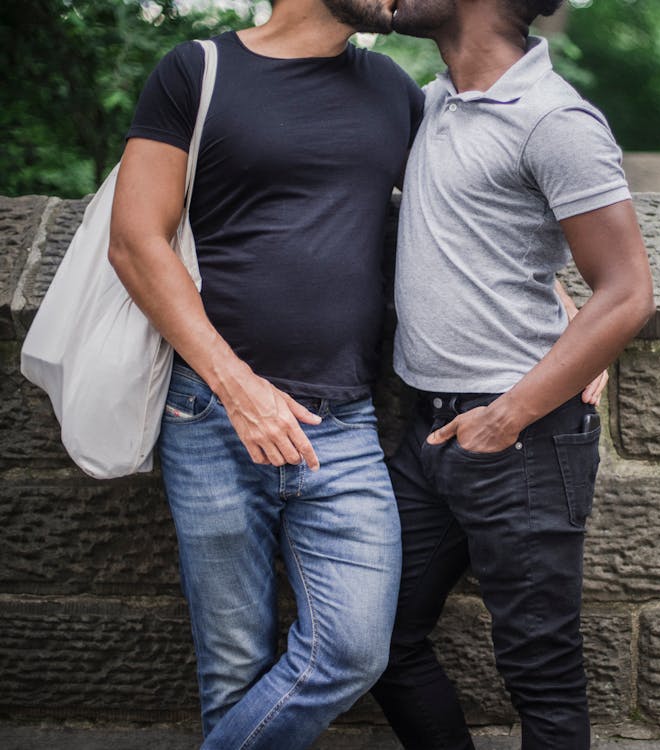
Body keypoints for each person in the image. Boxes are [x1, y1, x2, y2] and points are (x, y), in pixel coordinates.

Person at [107, 1, 420, 747]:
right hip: (210, 417)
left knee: (352, 651)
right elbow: (133, 240)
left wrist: (552, 301)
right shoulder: (197, 71)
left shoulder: (392, 87)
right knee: (233, 671)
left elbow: (461, 215)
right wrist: (236, 386)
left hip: (342, 424)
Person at [369, 0, 656, 747]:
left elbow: (626, 291)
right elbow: (492, 240)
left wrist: (511, 414)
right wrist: (553, 300)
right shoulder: (432, 102)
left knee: (540, 672)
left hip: (518, 438)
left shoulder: (555, 119)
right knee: (373, 639)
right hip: (429, 431)